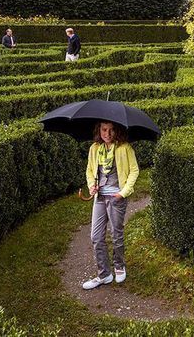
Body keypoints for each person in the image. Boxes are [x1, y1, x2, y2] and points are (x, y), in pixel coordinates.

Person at [82, 121, 139, 289]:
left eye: (112, 130)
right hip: (100, 197)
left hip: (116, 197)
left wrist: (124, 192)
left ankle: (119, 265)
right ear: (98, 130)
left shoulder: (124, 148)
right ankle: (104, 274)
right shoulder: (94, 149)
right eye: (104, 129)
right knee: (96, 236)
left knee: (116, 233)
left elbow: (134, 170)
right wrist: (91, 185)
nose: (107, 133)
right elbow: (90, 170)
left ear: (117, 131)